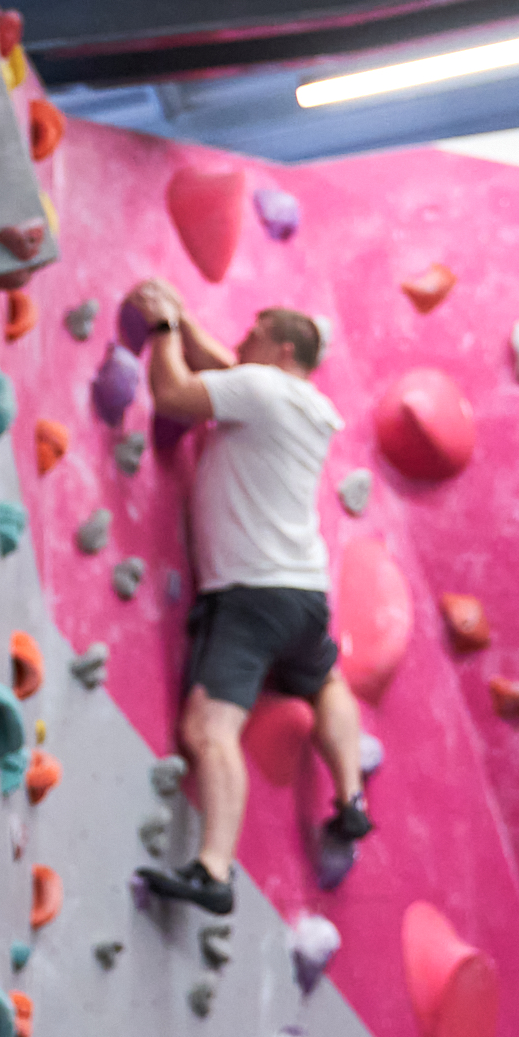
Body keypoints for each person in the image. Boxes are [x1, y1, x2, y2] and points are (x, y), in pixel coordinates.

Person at [126, 280, 374, 913]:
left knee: (209, 728)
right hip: (303, 594)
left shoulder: (262, 390)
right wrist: (185, 321)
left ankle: (214, 870)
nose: (240, 341)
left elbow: (175, 395)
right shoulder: (307, 404)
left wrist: (161, 330)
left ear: (285, 350)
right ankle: (350, 799)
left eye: (256, 334)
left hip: (249, 593)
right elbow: (233, 368)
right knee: (323, 679)